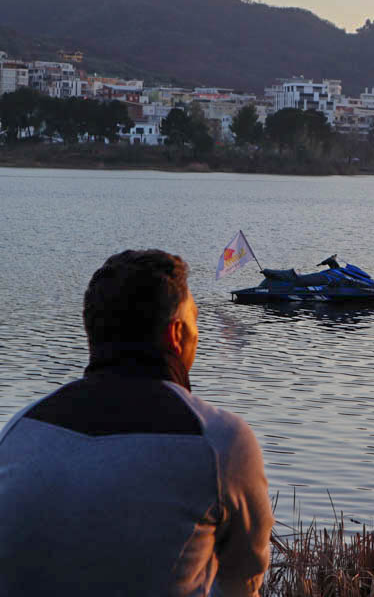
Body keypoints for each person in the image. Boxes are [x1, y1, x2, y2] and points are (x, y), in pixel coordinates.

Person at [0, 249, 274, 596]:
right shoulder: (220, 443)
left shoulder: (18, 432)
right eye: (196, 320)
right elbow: (242, 584)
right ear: (176, 335)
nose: (199, 334)